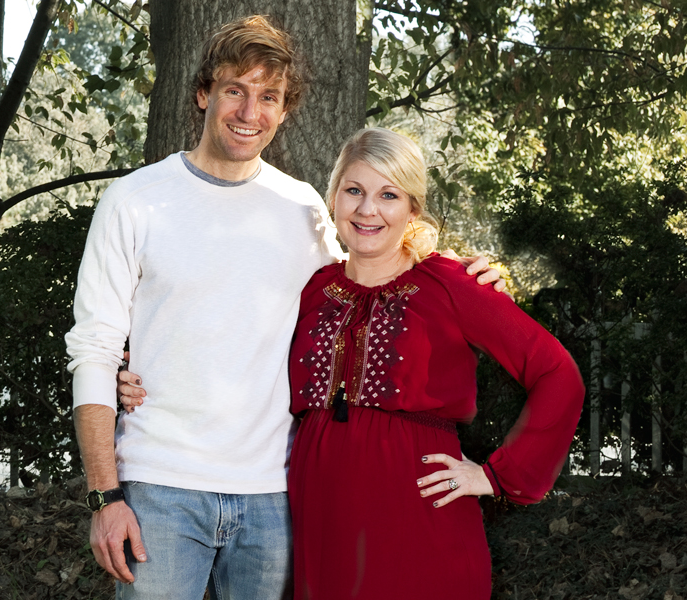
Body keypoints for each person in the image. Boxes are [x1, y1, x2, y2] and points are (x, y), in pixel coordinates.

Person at [66, 16, 503, 599]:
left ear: (284, 109)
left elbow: (372, 273)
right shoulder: (134, 202)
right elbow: (93, 349)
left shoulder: (303, 211)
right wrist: (106, 496)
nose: (250, 112)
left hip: (276, 495)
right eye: (234, 91)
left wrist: (468, 276)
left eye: (267, 96)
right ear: (203, 94)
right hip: (161, 489)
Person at [286, 127, 585, 599]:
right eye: (354, 191)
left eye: (389, 194)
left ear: (412, 209)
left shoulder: (451, 282)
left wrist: (494, 475)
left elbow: (557, 374)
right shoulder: (313, 290)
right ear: (334, 198)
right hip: (321, 522)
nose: (368, 210)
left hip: (418, 516)